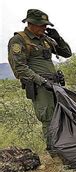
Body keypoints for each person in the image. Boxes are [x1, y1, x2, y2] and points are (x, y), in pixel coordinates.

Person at [7, 9, 72, 154]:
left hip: (54, 84)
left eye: (46, 25)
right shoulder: (19, 40)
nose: (45, 28)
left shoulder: (45, 39)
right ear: (31, 23)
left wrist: (58, 38)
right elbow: (20, 68)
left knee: (61, 114)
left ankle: (64, 146)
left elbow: (67, 53)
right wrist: (42, 82)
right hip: (40, 86)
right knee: (48, 117)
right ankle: (54, 152)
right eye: (42, 25)